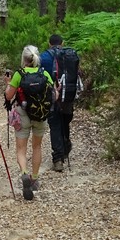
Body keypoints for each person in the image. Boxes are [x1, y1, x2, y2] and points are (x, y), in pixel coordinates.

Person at [5, 45, 54, 200]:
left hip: (23, 114)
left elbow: (8, 96)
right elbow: (55, 94)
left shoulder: (19, 74)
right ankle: (34, 178)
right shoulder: (44, 73)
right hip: (40, 115)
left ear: (24, 58)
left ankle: (24, 173)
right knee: (37, 146)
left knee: (21, 148)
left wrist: (8, 83)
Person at [40, 34, 78, 171]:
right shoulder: (70, 55)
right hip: (68, 95)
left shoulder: (43, 57)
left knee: (55, 124)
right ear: (62, 42)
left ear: (49, 43)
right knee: (65, 121)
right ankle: (65, 145)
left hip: (51, 96)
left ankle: (58, 159)